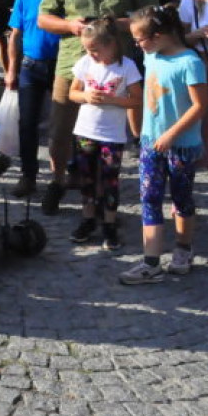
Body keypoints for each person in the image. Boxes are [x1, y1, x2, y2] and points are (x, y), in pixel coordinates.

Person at [37, 0, 158, 215]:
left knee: (111, 134)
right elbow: (43, 18)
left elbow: (151, 16)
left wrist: (114, 24)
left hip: (117, 70)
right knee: (60, 130)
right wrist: (71, 26)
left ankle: (106, 190)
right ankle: (58, 180)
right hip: (73, 65)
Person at [121, 5, 207, 284]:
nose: (137, 45)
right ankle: (151, 263)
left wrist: (171, 134)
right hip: (150, 142)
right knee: (150, 199)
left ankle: (183, 249)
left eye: (139, 39)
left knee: (182, 199)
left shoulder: (190, 62)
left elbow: (200, 106)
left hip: (180, 145)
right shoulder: (151, 57)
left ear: (158, 35)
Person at [66, 17, 142, 250]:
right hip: (85, 130)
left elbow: (137, 100)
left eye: (96, 50)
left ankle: (109, 224)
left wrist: (113, 100)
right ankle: (88, 219)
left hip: (112, 134)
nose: (92, 54)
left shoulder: (126, 66)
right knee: (87, 179)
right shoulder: (85, 63)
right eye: (88, 50)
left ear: (112, 44)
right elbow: (73, 93)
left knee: (109, 180)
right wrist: (86, 97)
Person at [5, 0, 62, 197]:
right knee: (27, 123)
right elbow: (14, 36)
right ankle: (28, 175)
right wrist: (11, 70)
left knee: (62, 123)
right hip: (31, 66)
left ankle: (66, 171)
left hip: (60, 66)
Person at [179, 0, 208, 168]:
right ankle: (203, 157)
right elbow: (179, 38)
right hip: (202, 59)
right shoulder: (191, 0)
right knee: (203, 111)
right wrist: (198, 34)